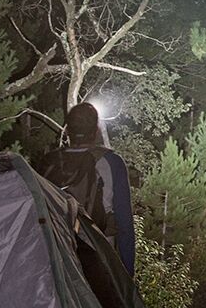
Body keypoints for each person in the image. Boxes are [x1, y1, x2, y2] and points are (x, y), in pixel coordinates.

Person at [42, 101, 137, 276]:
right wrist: (127, 274)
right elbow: (124, 224)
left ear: (68, 130)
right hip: (99, 260)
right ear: (95, 131)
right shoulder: (111, 162)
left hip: (58, 258)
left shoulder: (49, 162)